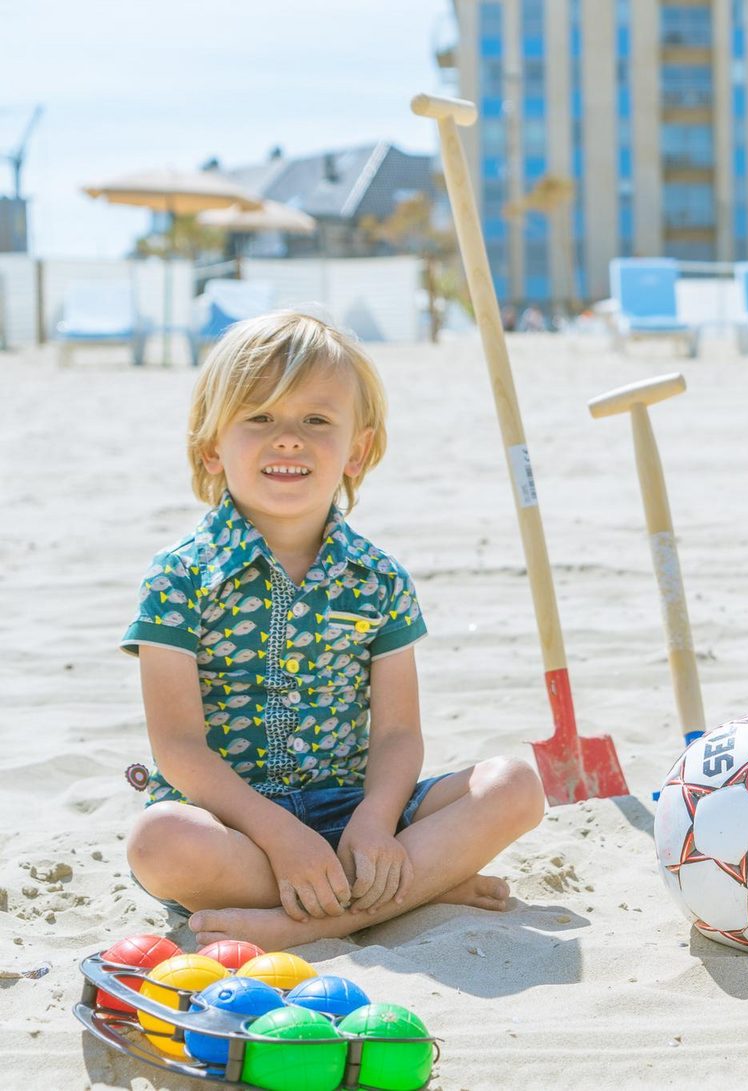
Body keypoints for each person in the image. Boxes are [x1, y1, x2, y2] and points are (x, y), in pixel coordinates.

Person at [122, 311, 546, 951]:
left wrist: (376, 823)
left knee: (516, 785)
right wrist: (280, 835)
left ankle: (317, 914)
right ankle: (413, 888)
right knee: (157, 842)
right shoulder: (179, 576)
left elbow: (399, 733)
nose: (287, 439)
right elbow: (180, 747)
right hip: (234, 828)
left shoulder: (378, 578)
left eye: (316, 421)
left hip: (354, 813)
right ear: (212, 445)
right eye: (259, 417)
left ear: (358, 450)